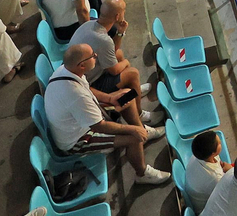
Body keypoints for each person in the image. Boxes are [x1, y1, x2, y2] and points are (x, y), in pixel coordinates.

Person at [44, 44, 169, 183]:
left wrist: (109, 98)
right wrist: (132, 130)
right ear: (82, 65)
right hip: (78, 139)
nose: (96, 56)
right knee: (134, 137)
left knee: (128, 95)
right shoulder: (76, 95)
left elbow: (88, 88)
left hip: (84, 119)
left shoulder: (66, 71)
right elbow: (100, 126)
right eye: (92, 56)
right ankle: (142, 174)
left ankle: (142, 129)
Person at [68, 0, 159, 126]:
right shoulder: (103, 40)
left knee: (119, 54)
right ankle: (139, 114)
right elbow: (114, 70)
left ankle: (135, 90)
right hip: (89, 85)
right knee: (132, 74)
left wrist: (120, 32)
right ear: (117, 16)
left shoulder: (89, 24)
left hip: (85, 73)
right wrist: (126, 62)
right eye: (124, 10)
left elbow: (112, 50)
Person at [183, 130, 233, 212]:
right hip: (203, 209)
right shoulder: (215, 177)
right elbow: (227, 192)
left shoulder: (198, 155)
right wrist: (230, 170)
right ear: (213, 153)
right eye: (219, 143)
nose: (221, 142)